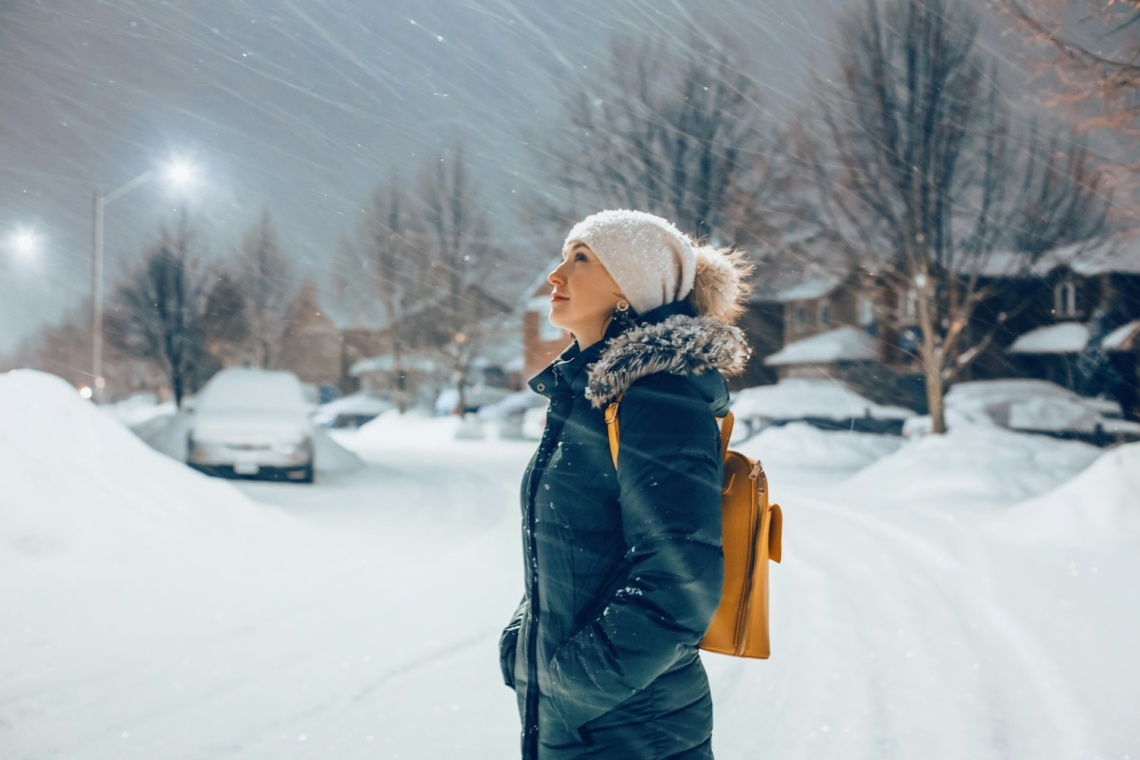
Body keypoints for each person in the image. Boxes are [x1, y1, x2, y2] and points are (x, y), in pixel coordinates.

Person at [499, 210, 752, 759]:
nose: (556, 275)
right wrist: (524, 643)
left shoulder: (656, 397)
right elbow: (576, 552)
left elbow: (680, 581)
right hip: (588, 723)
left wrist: (570, 685)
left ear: (629, 290)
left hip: (632, 730)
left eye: (581, 258)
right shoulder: (589, 397)